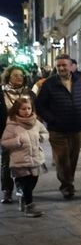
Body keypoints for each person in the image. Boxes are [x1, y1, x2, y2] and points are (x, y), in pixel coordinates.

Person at [34, 54, 81, 199]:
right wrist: (51, 120)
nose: (61, 68)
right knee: (62, 158)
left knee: (73, 157)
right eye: (58, 65)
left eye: (64, 65)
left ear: (71, 66)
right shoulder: (49, 83)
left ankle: (68, 181)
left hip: (77, 126)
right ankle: (67, 185)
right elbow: (40, 105)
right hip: (57, 129)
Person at [0, 97, 48, 217]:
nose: (26, 111)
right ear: (17, 110)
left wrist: (42, 137)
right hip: (20, 159)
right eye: (23, 109)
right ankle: (29, 206)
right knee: (26, 182)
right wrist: (16, 141)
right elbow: (4, 142)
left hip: (35, 157)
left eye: (29, 108)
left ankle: (23, 197)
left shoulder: (35, 122)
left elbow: (45, 132)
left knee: (33, 180)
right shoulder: (12, 124)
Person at [0, 65, 35, 204]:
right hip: (6, 132)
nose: (19, 78)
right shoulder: (2, 92)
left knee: (23, 162)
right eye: (15, 75)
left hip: (26, 133)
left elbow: (35, 110)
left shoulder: (29, 93)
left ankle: (22, 189)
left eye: (21, 75)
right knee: (6, 161)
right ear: (8, 77)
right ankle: (7, 190)